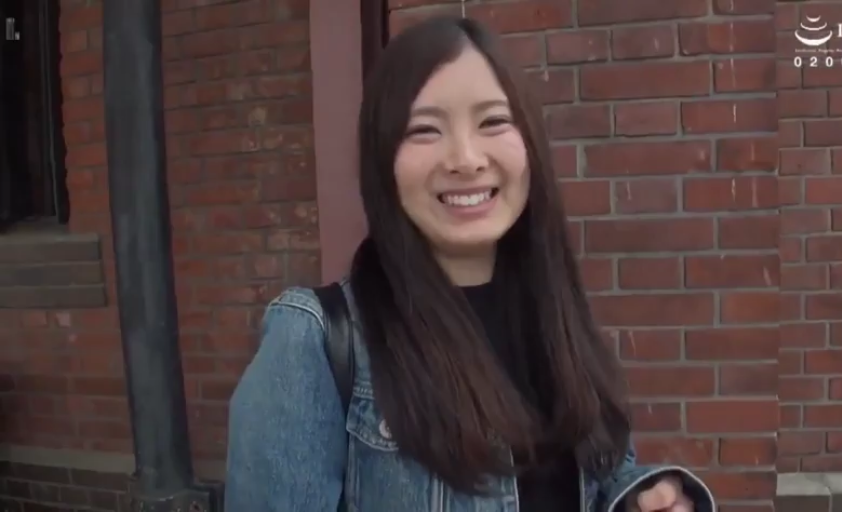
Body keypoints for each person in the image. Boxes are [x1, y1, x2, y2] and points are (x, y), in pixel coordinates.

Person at [224, 15, 716, 512]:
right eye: (424, 129)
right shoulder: (314, 341)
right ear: (383, 159)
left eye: (493, 122)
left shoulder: (559, 320)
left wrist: (639, 498)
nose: (465, 158)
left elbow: (603, 474)